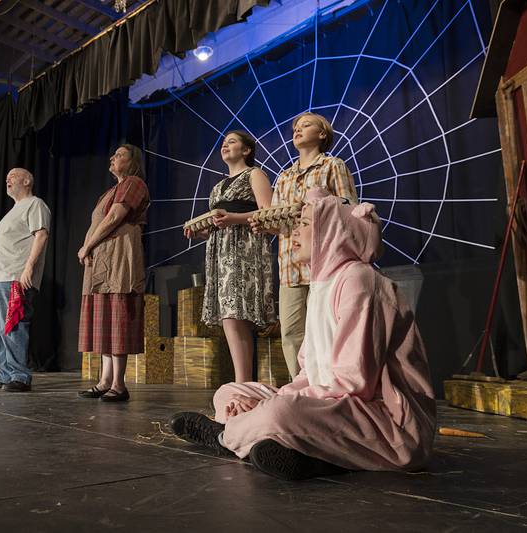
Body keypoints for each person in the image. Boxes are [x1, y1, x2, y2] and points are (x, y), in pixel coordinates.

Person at [170, 191, 436, 481]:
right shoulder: (322, 286)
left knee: (282, 412)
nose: (293, 231)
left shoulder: (359, 281)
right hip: (329, 405)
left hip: (385, 423)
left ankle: (225, 436)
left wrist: (267, 408)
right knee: (231, 392)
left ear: (335, 231)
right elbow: (309, 373)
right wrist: (264, 401)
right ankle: (294, 450)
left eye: (306, 223)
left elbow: (353, 383)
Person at [251, 112, 358, 379]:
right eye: (295, 127)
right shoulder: (285, 176)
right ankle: (301, 386)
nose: (298, 129)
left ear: (322, 134)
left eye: (306, 125)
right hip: (290, 265)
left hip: (324, 264)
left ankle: (329, 386)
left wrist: (314, 208)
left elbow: (349, 209)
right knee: (290, 332)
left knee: (324, 329)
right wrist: (264, 224)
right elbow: (279, 221)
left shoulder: (333, 166)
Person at [184, 130, 275, 382]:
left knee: (237, 315)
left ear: (246, 150)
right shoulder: (216, 187)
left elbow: (268, 213)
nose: (225, 146)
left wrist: (233, 218)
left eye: (232, 142)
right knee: (229, 316)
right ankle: (242, 381)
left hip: (245, 250)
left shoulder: (254, 174)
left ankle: (243, 383)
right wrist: (201, 232)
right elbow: (217, 225)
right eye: (223, 143)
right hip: (221, 252)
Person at [77, 144, 150, 402]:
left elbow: (113, 218)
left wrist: (87, 246)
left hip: (120, 255)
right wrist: (91, 250)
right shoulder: (109, 191)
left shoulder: (134, 183)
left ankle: (119, 384)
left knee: (118, 315)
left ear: (132, 162)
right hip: (103, 258)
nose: (112, 158)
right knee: (105, 317)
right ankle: (105, 380)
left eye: (119, 155)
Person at [0, 168, 51, 392]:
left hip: (13, 276)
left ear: (27, 180)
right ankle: (5, 373)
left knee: (13, 326)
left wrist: (28, 268)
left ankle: (19, 376)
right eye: (6, 177)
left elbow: (41, 235)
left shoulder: (35, 204)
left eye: (13, 177)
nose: (7, 180)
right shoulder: (15, 209)